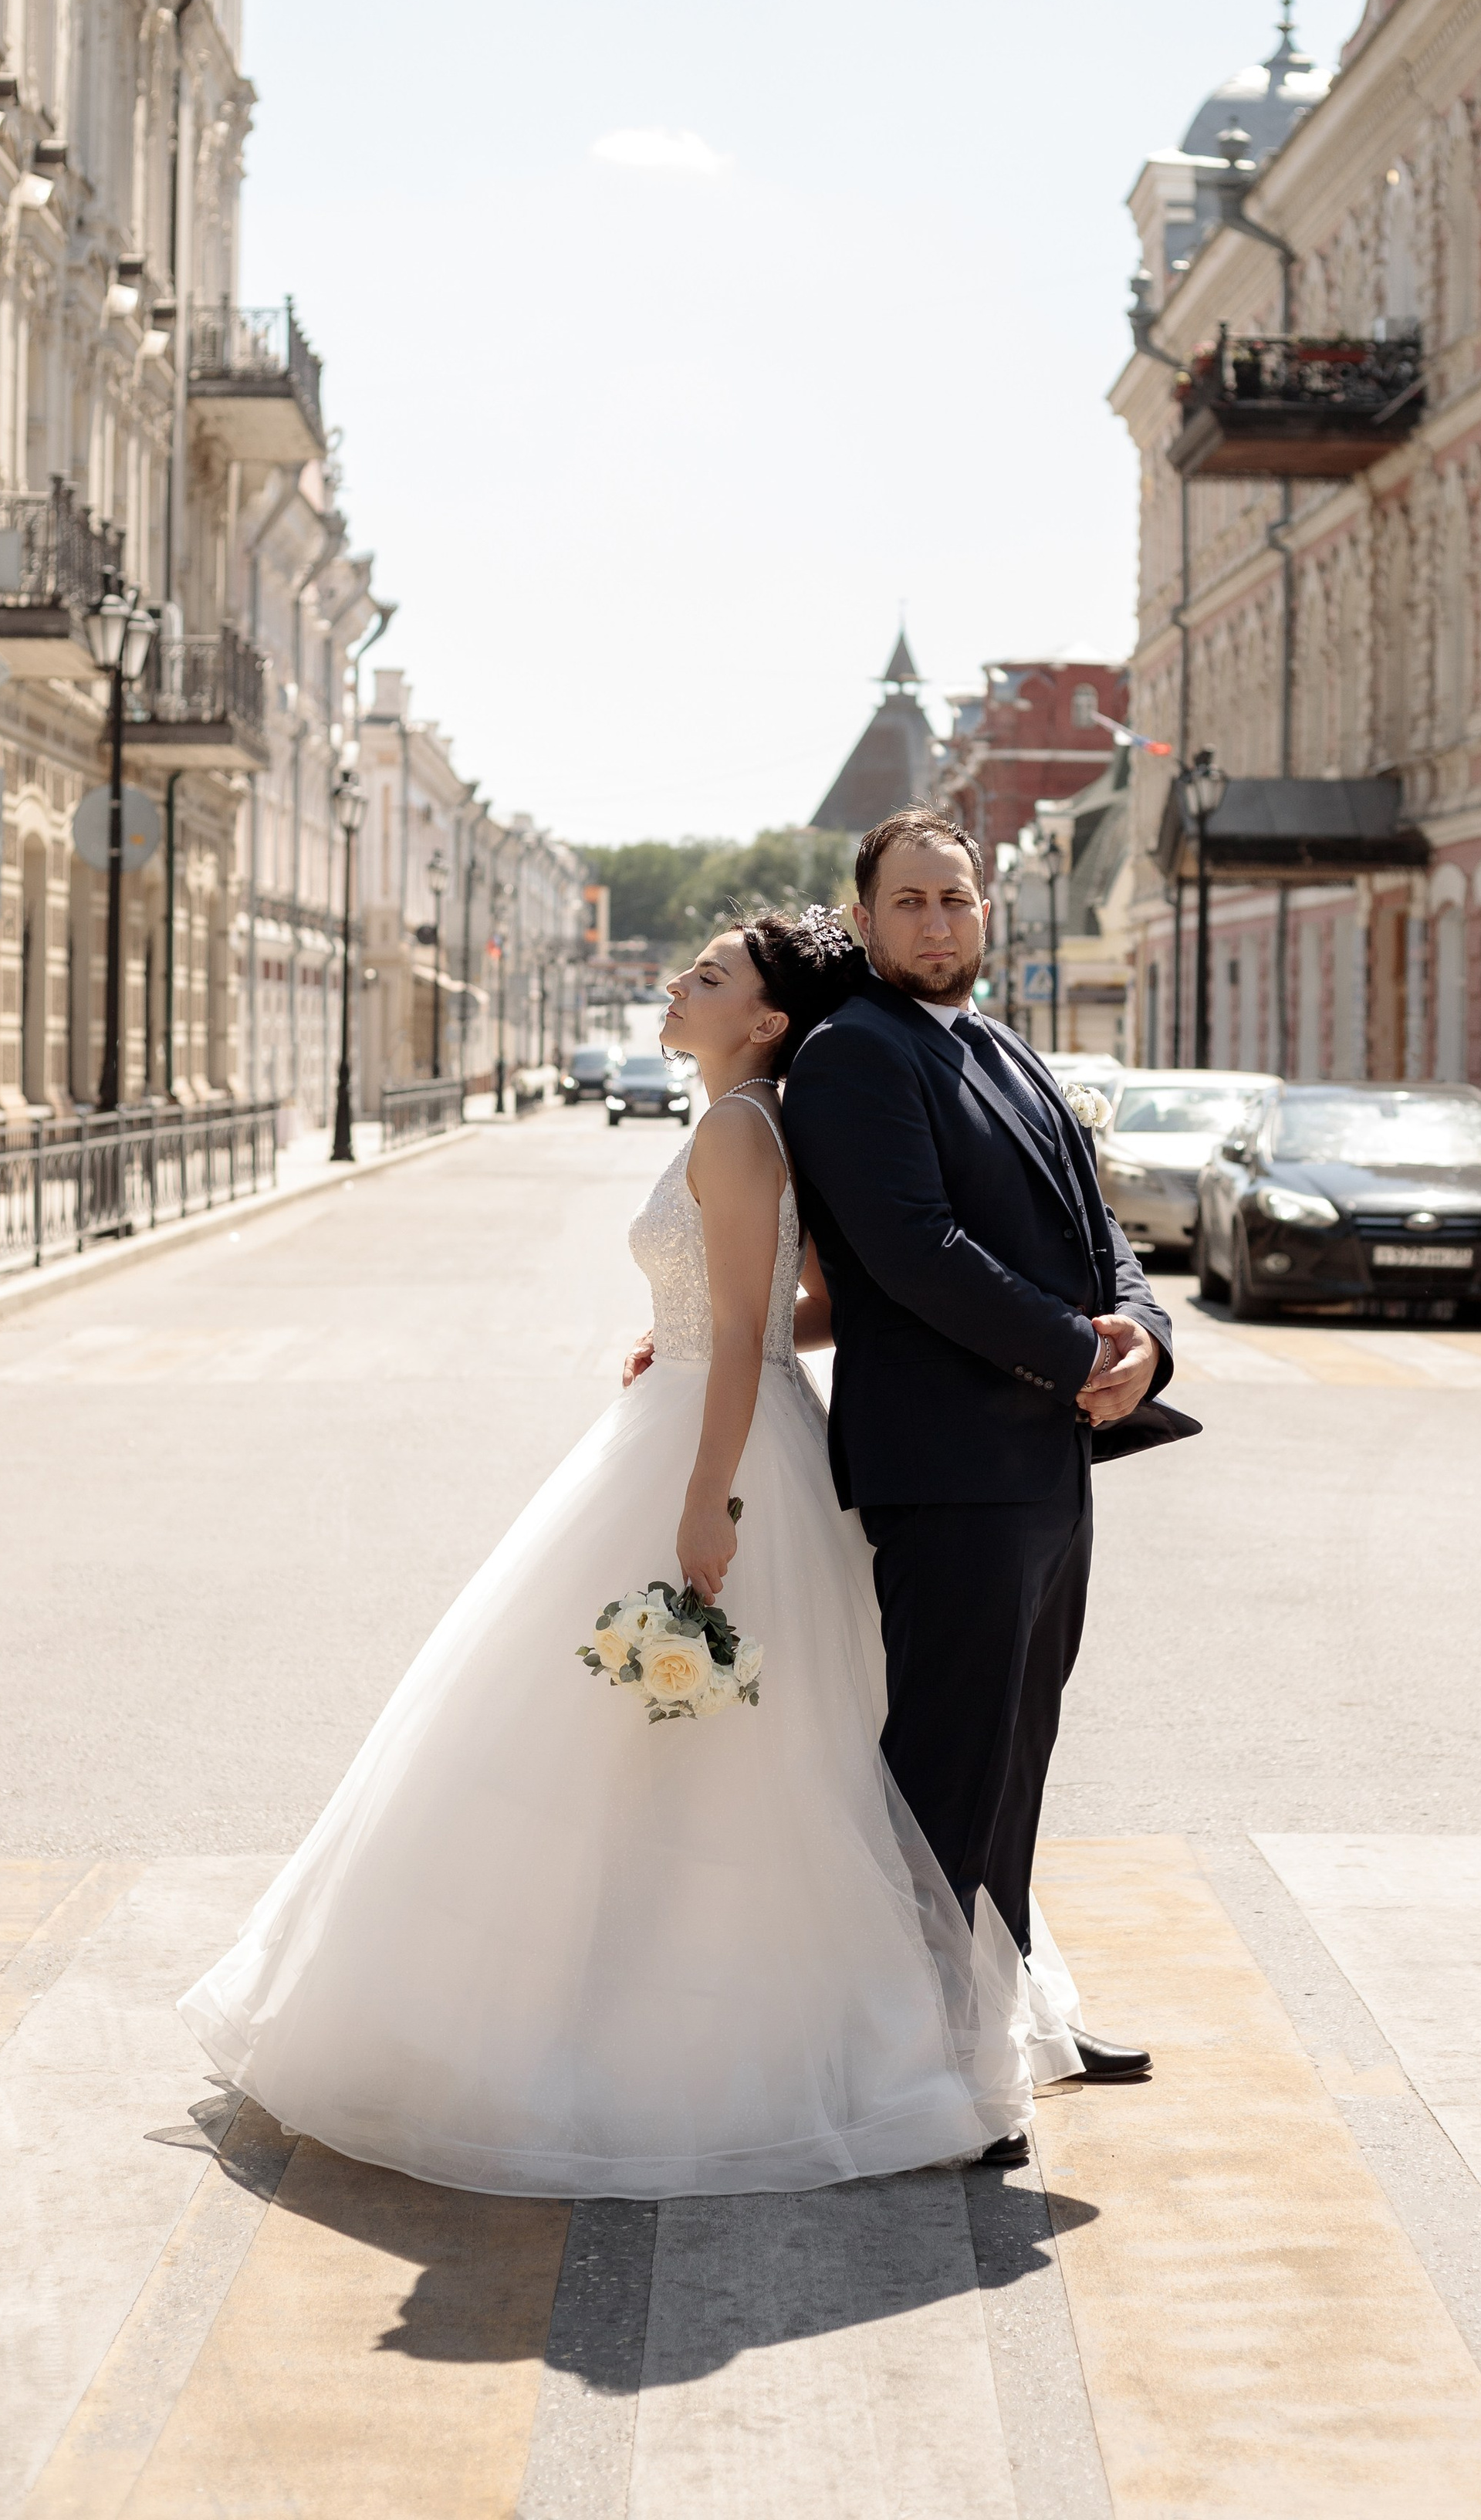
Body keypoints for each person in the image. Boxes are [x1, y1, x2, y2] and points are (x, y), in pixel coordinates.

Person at [180, 908, 1063, 2200]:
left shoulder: (740, 1127)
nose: (676, 984)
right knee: (693, 1743)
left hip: (721, 1446)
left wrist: (708, 1495)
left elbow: (756, 1324)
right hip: (710, 1415)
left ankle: (702, 2027)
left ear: (765, 1020)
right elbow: (805, 1307)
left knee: (712, 1742)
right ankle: (664, 1987)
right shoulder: (754, 1123)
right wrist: (694, 1340)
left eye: (708, 976)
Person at [782, 807, 1174, 2162]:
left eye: (955, 898)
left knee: (1017, 1757)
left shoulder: (999, 1043)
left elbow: (1099, 1227)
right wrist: (1077, 1353)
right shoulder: (854, 1053)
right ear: (865, 920)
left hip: (1045, 1460)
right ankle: (920, 2072)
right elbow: (915, 1251)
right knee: (947, 1772)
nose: (937, 922)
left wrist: (1143, 1336)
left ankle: (1007, 2016)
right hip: (948, 1469)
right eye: (909, 902)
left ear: (987, 906)